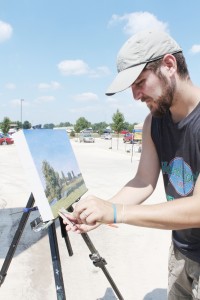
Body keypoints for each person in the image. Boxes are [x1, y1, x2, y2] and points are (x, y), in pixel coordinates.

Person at [64, 30, 200, 299]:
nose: (135, 96)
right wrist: (100, 212)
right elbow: (143, 181)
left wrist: (117, 212)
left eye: (140, 82)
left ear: (169, 65)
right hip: (181, 251)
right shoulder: (154, 122)